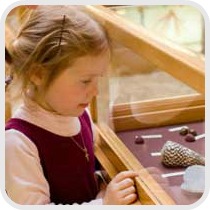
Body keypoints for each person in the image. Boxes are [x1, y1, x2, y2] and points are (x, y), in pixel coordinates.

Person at [5, 5, 138, 205]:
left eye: (98, 79)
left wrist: (108, 183)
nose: (95, 91)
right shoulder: (17, 143)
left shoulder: (78, 113)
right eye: (85, 81)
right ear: (38, 74)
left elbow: (83, 173)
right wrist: (104, 204)